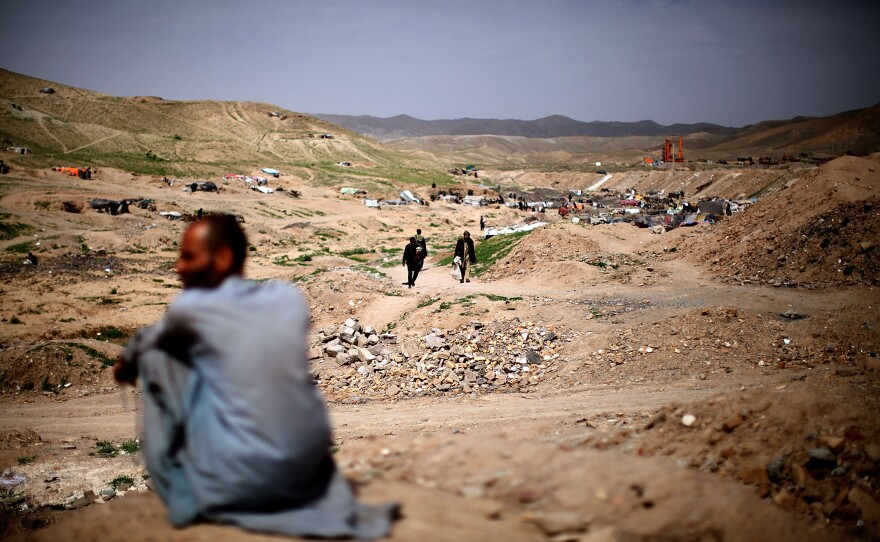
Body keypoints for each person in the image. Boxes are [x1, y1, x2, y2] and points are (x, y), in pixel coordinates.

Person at [114, 215, 398, 539]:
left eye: (188, 256)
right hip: (306, 465)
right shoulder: (288, 298)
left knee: (158, 358)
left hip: (246, 476)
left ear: (221, 258)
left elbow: (143, 346)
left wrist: (126, 366)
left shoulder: (190, 309)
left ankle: (184, 496)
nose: (179, 266)